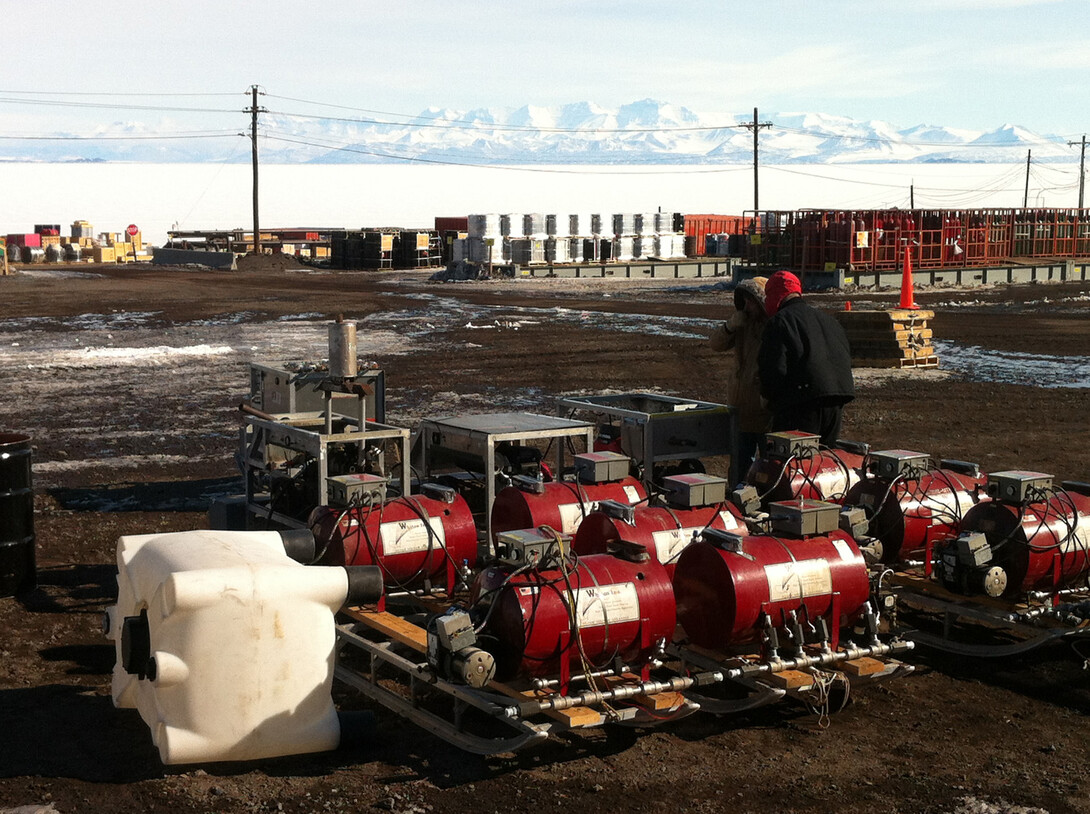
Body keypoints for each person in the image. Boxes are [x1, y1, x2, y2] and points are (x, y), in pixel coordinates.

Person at [757, 270, 854, 447]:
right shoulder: (828, 319)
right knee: (824, 460)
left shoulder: (780, 322)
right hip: (837, 399)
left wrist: (769, 397)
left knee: (795, 464)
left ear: (775, 295)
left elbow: (773, 369)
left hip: (801, 404)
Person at [710, 276, 770, 470]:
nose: (747, 305)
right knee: (738, 467)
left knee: (768, 468)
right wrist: (730, 326)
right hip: (739, 410)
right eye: (745, 300)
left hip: (764, 413)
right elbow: (716, 344)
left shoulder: (772, 326)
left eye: (751, 301)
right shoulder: (741, 324)